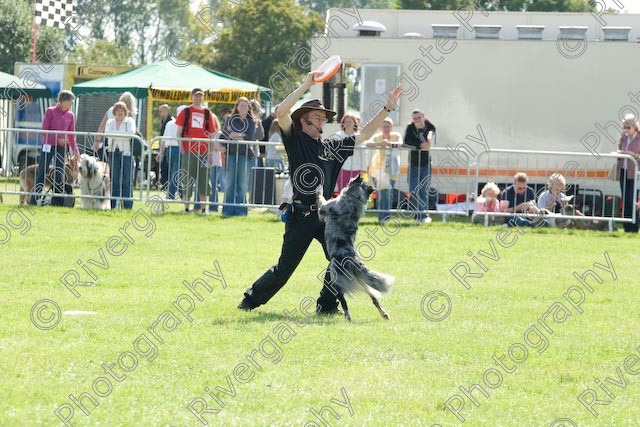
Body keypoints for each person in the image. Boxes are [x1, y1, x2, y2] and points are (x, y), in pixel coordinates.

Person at [237, 70, 402, 314]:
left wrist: (388, 107)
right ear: (304, 120)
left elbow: (365, 133)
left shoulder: (332, 146)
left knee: (342, 261)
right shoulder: (295, 139)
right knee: (284, 269)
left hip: (328, 217)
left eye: (324, 117)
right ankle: (250, 300)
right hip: (300, 216)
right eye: (318, 116)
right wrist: (306, 84)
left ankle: (326, 305)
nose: (323, 121)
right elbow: (281, 112)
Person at [31, 90, 80, 206]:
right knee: (42, 172)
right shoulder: (50, 111)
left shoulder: (70, 115)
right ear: (63, 101)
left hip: (61, 148)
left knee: (59, 174)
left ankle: (56, 201)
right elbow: (44, 130)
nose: (71, 104)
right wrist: (57, 138)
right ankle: (34, 199)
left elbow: (71, 135)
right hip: (47, 146)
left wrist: (76, 151)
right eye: (70, 102)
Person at [175, 88, 218, 215]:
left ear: (203, 97)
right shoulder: (185, 112)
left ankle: (204, 209)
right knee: (187, 179)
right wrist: (182, 148)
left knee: (204, 180)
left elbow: (211, 134)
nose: (198, 98)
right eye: (196, 96)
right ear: (192, 97)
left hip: (204, 151)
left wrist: (210, 153)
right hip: (189, 150)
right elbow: (179, 132)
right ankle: (186, 208)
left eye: (200, 96)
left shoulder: (207, 113)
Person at [221, 97, 258, 217]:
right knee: (230, 183)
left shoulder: (252, 121)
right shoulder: (230, 119)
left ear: (249, 108)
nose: (243, 108)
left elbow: (250, 137)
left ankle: (241, 211)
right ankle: (227, 210)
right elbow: (225, 135)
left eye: (245, 106)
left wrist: (234, 135)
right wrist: (239, 135)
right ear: (236, 107)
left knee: (242, 184)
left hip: (245, 155)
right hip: (231, 154)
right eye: (240, 105)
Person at [366, 117, 403, 223]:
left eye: (388, 126)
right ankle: (381, 216)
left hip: (392, 168)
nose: (386, 128)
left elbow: (400, 143)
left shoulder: (396, 136)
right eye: (384, 126)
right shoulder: (378, 137)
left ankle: (386, 217)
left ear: (391, 127)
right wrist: (380, 144)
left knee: (389, 193)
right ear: (381, 127)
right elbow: (368, 143)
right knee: (381, 193)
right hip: (379, 169)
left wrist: (390, 144)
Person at [403, 109, 436, 224]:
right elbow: (406, 142)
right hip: (413, 164)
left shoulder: (429, 126)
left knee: (423, 190)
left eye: (419, 118)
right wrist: (420, 146)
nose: (417, 120)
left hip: (426, 164)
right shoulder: (410, 128)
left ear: (424, 117)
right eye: (415, 118)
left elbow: (432, 132)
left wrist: (430, 138)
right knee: (413, 190)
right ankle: (419, 215)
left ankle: (422, 216)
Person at [105, 101, 137, 209]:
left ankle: (127, 206)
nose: (120, 112)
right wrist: (122, 135)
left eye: (122, 110)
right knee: (114, 179)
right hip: (113, 152)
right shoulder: (110, 121)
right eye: (118, 110)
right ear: (114, 111)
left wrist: (115, 135)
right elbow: (107, 133)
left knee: (126, 180)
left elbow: (131, 134)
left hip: (126, 153)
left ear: (125, 112)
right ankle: (113, 205)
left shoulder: (130, 121)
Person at [616, 114, 640, 232]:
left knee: (632, 199)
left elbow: (638, 156)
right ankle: (627, 226)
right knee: (625, 199)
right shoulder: (623, 137)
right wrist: (620, 152)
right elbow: (620, 148)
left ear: (635, 127)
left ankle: (634, 226)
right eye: (624, 127)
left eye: (628, 127)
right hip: (623, 171)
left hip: (635, 173)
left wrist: (633, 155)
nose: (626, 130)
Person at [157, 105, 185, 200]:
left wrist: (161, 153)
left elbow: (164, 140)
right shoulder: (184, 124)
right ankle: (171, 195)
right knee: (176, 174)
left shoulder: (169, 123)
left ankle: (182, 193)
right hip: (179, 150)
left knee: (175, 173)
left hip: (169, 150)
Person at [335, 114, 363, 191]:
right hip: (342, 168)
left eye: (350, 122)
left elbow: (363, 153)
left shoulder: (359, 136)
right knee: (342, 191)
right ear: (343, 123)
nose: (348, 124)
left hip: (357, 168)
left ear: (355, 123)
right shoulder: (338, 136)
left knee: (355, 192)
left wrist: (364, 168)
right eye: (346, 122)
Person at [157, 104, 173, 189]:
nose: (159, 113)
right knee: (163, 167)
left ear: (166, 111)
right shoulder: (163, 120)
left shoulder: (170, 121)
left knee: (167, 167)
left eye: (161, 111)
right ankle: (164, 184)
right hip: (163, 146)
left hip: (167, 146)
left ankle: (167, 185)